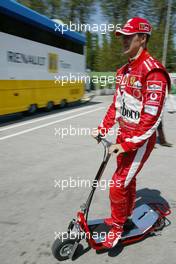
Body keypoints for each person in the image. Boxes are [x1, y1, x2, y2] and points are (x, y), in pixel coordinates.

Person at [92, 17, 171, 249]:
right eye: (122, 36)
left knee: (117, 184)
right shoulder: (124, 70)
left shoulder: (153, 71)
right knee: (126, 179)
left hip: (140, 141)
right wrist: (103, 128)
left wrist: (128, 144)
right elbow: (117, 105)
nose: (124, 41)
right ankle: (124, 216)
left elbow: (151, 119)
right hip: (123, 138)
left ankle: (116, 228)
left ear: (142, 38)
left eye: (129, 36)